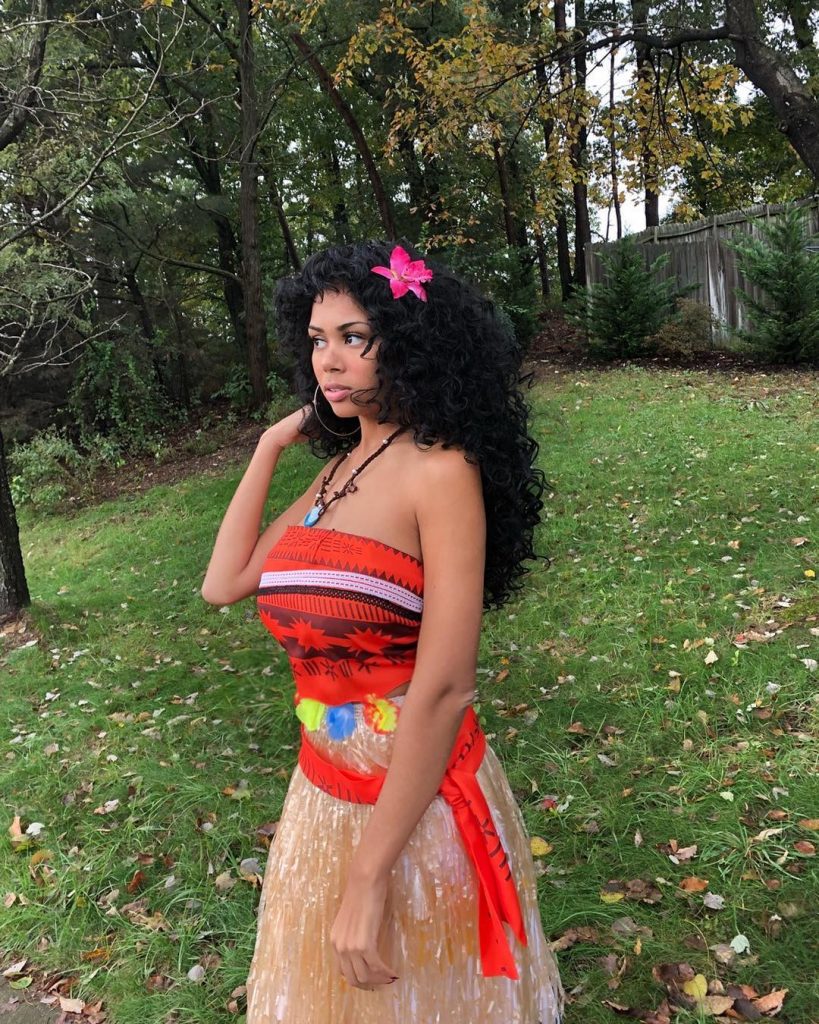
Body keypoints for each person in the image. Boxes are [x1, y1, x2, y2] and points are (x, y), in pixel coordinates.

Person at [201, 241, 564, 1023]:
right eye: (316, 341)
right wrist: (269, 445)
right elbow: (223, 584)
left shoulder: (439, 471)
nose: (328, 361)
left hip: (416, 805)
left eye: (353, 337)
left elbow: (445, 687)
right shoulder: (339, 471)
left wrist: (368, 878)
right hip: (322, 789)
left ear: (410, 343)